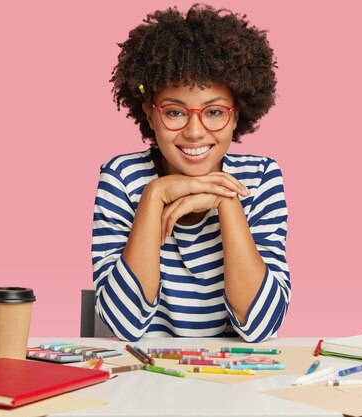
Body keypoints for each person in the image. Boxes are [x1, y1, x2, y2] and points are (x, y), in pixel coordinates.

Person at [91, 4, 290, 342]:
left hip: (230, 381)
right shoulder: (122, 177)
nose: (195, 132)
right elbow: (124, 325)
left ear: (238, 114)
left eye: (214, 111)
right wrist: (154, 196)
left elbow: (260, 325)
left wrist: (226, 200)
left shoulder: (260, 177)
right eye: (174, 112)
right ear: (150, 115)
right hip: (145, 379)